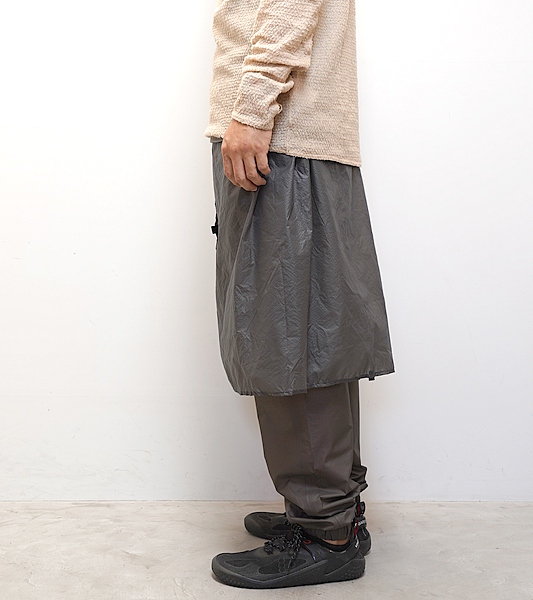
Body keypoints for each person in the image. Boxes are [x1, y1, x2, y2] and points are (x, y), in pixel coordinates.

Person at [204, 0, 395, 589]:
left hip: (284, 140)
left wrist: (252, 110)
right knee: (306, 333)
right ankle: (332, 510)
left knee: (290, 338)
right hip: (291, 141)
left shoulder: (269, 127)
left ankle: (324, 531)